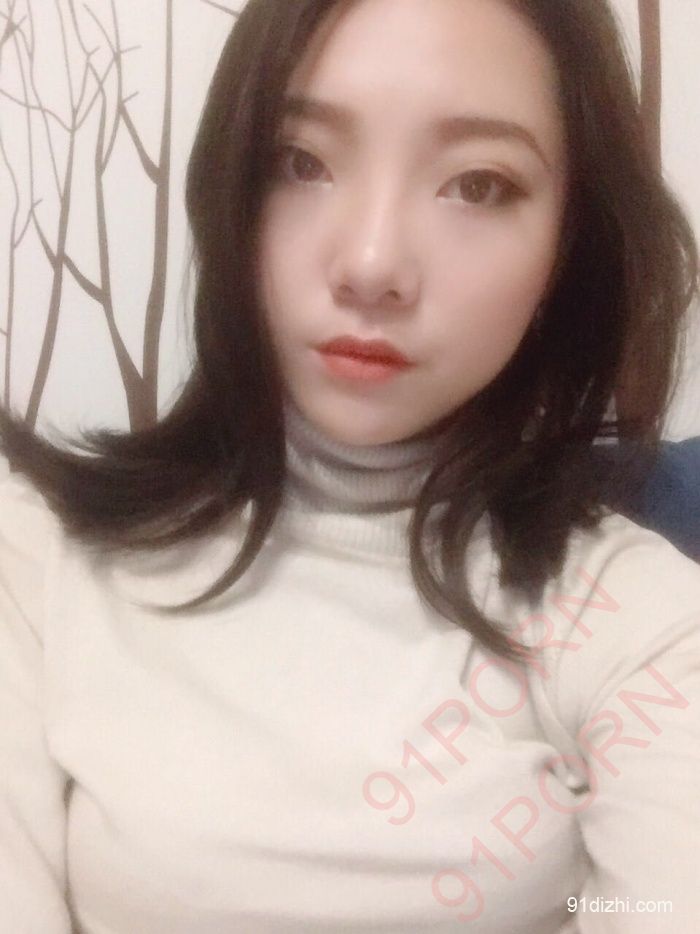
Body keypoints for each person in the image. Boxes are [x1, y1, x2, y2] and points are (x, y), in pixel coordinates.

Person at [1, 1, 699, 931]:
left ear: (566, 245)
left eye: (478, 185)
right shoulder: (37, 559)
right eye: (302, 162)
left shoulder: (643, 623)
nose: (371, 265)